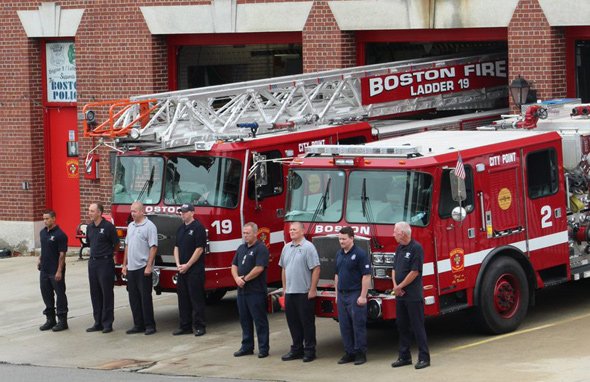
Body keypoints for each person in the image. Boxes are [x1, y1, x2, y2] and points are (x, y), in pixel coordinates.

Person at [390, 221, 430, 370]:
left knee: (417, 326)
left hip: (413, 295)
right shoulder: (399, 248)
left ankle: (424, 357)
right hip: (400, 295)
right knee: (402, 326)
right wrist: (395, 286)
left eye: (395, 231)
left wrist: (400, 286)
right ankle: (404, 356)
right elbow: (394, 269)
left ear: (403, 233)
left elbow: (415, 272)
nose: (393, 234)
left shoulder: (416, 248)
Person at [279, 221, 320, 363]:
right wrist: (285, 289)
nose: (291, 232)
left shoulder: (309, 247)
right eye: (290, 230)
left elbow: (316, 268)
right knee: (293, 322)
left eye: (294, 230)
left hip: (304, 292)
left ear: (302, 231)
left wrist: (313, 289)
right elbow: (284, 268)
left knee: (307, 323)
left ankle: (310, 350)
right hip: (290, 292)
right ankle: (296, 349)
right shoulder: (286, 248)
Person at [231, 222, 270, 358]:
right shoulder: (241, 248)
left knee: (259, 320)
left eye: (248, 233)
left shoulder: (261, 248)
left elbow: (259, 268)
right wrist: (236, 278)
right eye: (244, 233)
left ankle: (263, 348)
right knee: (244, 320)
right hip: (242, 292)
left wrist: (245, 279)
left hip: (255, 291)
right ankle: (247, 346)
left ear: (255, 233)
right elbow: (234, 265)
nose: (245, 235)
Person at [334, 226, 371, 365]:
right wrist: (337, 294)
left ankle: (360, 353)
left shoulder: (360, 254)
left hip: (355, 293)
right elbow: (336, 275)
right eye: (340, 239)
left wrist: (363, 296)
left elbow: (366, 276)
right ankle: (349, 352)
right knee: (344, 325)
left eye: (344, 239)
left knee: (358, 324)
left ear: (352, 238)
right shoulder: (339, 254)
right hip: (342, 294)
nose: (341, 242)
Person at [122, 201, 158, 335]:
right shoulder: (130, 226)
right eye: (131, 211)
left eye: (135, 211)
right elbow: (127, 246)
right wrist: (124, 264)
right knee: (133, 298)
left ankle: (150, 325)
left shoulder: (150, 226)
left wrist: (149, 266)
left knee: (145, 298)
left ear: (142, 211)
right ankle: (138, 324)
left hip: (143, 267)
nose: (132, 214)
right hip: (131, 268)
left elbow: (153, 247)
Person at [172, 203, 207, 337]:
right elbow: (176, 247)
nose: (182, 214)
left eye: (185, 212)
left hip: (194, 270)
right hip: (182, 270)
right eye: (181, 212)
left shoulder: (198, 228)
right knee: (183, 299)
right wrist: (178, 264)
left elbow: (199, 249)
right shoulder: (180, 229)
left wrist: (188, 265)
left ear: (192, 213)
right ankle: (185, 326)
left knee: (196, 299)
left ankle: (199, 326)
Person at [86, 203, 118, 333]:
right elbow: (89, 242)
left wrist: (110, 255)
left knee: (106, 293)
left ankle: (107, 323)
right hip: (93, 263)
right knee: (95, 293)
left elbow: (116, 244)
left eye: (92, 211)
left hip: (105, 263)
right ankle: (97, 321)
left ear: (99, 212)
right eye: (89, 211)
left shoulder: (108, 227)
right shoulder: (89, 227)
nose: (90, 213)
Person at [38, 210, 69, 332]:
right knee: (46, 294)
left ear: (54, 219)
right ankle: (50, 319)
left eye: (47, 219)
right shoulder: (42, 233)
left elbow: (62, 255)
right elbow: (44, 249)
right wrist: (40, 259)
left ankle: (62, 320)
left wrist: (59, 271)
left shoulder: (60, 235)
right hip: (44, 270)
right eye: (44, 219)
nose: (45, 221)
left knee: (60, 294)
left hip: (55, 270)